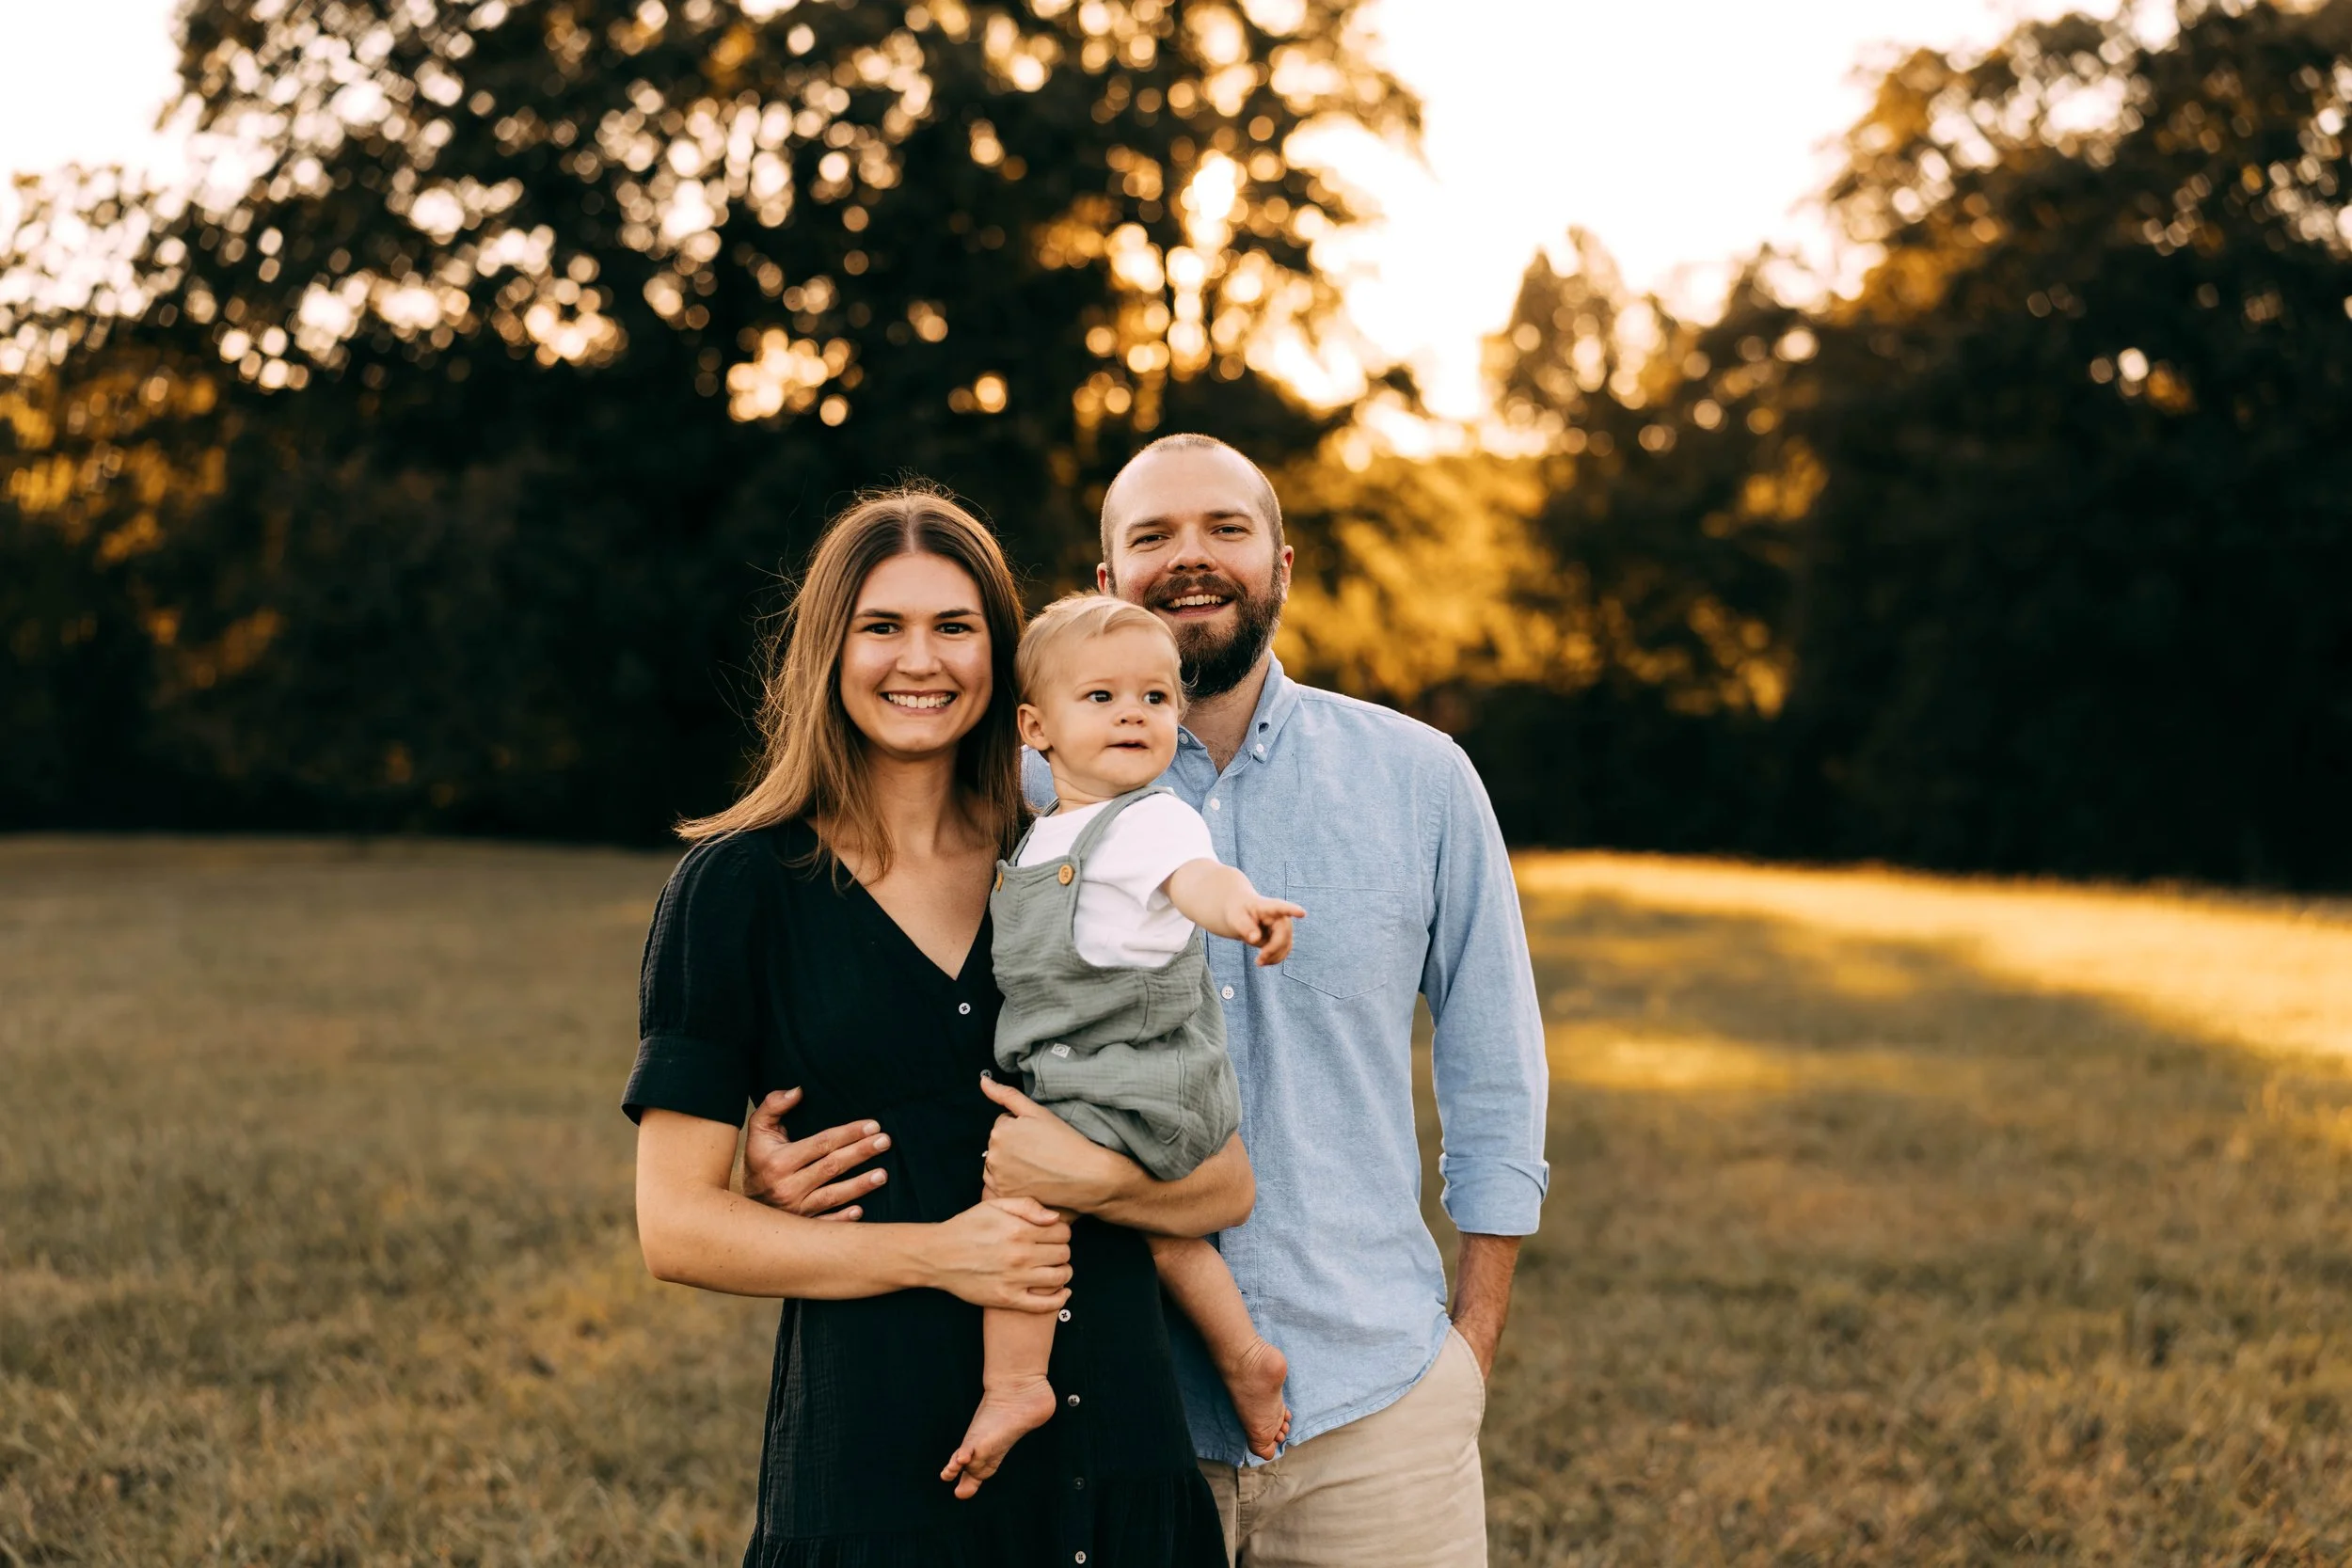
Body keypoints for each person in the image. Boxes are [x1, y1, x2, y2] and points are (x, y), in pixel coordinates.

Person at [742, 439, 1549, 1565]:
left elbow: (1496, 1067)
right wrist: (778, 1161)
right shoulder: (1007, 798)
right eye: (1153, 535)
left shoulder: (1417, 778)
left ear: (1282, 559)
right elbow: (901, 1010)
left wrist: (1471, 1342)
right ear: (1106, 574)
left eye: (1226, 528)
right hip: (1114, 1418)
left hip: (1375, 1402)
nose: (1192, 558)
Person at [624, 484, 1236, 1567]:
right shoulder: (737, 890)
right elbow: (675, 1228)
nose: (922, 659)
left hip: (1121, 1456)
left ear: (1005, 665)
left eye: (955, 626)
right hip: (878, 1470)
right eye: (882, 626)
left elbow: (1223, 1180)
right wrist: (942, 1253)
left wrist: (1090, 1176)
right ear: (828, 649)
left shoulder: (1081, 859)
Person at [942, 593, 1306, 1499]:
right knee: (1162, 1232)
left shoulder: (1153, 821)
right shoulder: (1041, 833)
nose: (1134, 714)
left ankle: (1018, 1381)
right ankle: (1246, 1356)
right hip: (1097, 1075)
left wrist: (1242, 908)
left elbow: (1198, 881)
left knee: (1020, 1190)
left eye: (1154, 697)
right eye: (1101, 697)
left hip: (1141, 1076)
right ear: (1037, 727)